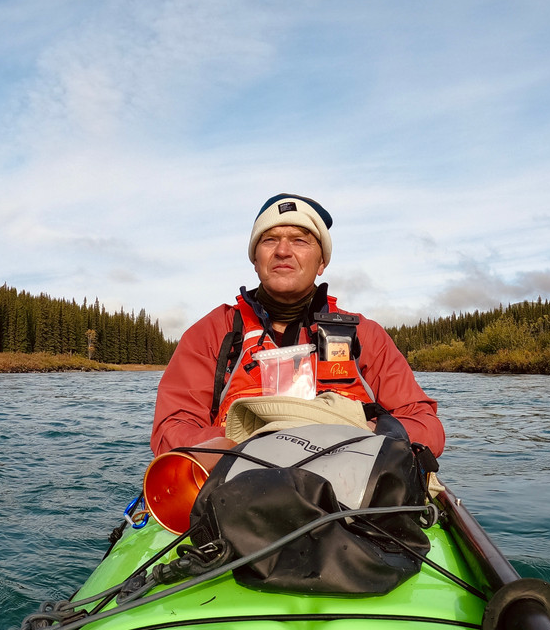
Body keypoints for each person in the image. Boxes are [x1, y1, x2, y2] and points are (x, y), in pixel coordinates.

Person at [150, 193, 445, 463]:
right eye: (269, 240)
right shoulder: (212, 333)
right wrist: (249, 444)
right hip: (238, 486)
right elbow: (171, 430)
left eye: (300, 240)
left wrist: (366, 433)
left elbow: (426, 425)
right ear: (255, 260)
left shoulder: (366, 335)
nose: (283, 251)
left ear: (322, 262)